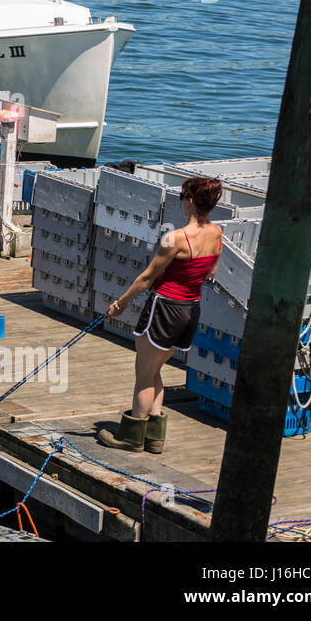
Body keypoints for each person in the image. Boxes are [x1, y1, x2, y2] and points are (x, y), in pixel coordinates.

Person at [98, 176, 224, 454]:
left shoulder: (175, 238)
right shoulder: (216, 233)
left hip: (164, 308)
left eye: (182, 196)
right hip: (191, 310)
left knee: (143, 375)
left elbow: (147, 277)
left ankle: (131, 437)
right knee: (156, 372)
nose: (181, 200)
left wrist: (120, 303)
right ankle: (154, 438)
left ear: (190, 201)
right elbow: (211, 272)